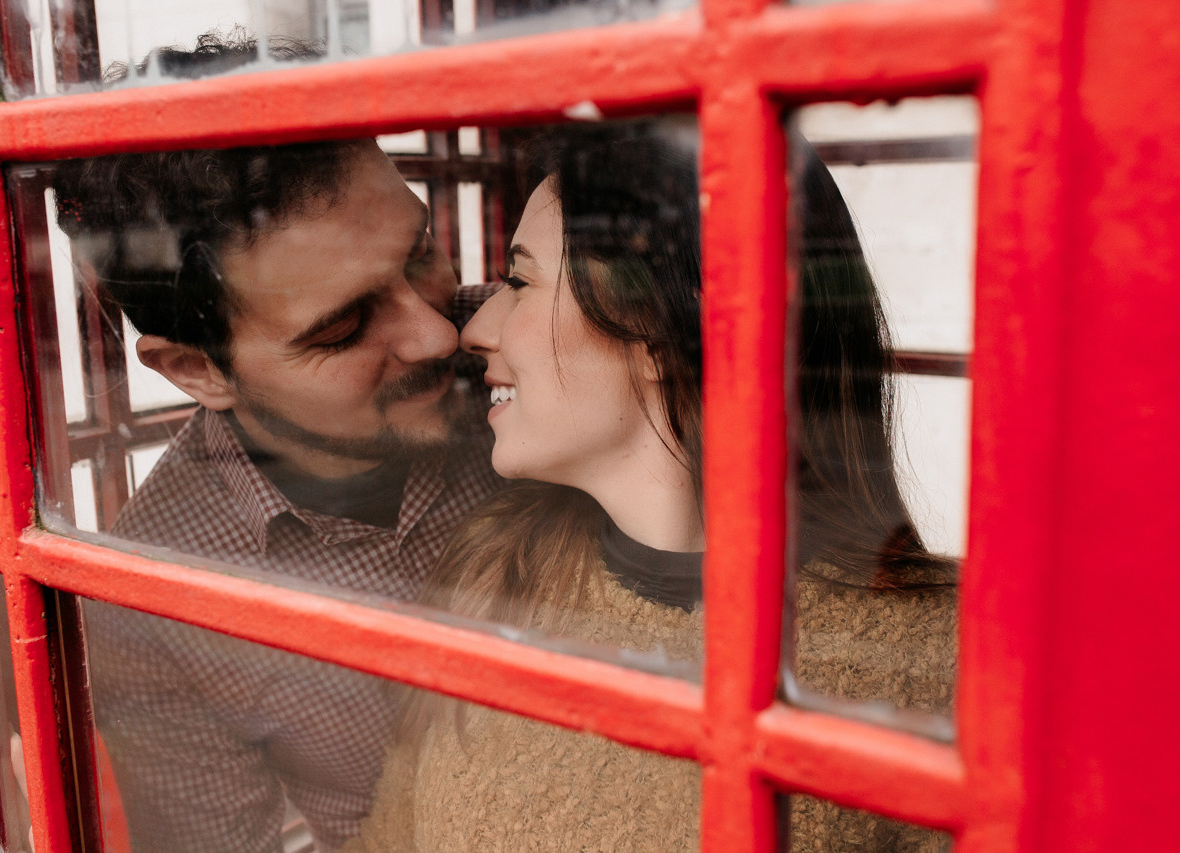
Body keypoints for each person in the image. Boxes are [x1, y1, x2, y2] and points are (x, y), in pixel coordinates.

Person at [342, 121, 956, 852]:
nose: (477, 331)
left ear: (662, 334)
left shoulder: (937, 658)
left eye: (521, 279)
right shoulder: (493, 568)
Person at [52, 34, 501, 853]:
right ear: (197, 369)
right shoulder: (156, 598)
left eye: (422, 251)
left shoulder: (544, 347)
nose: (440, 334)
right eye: (342, 326)